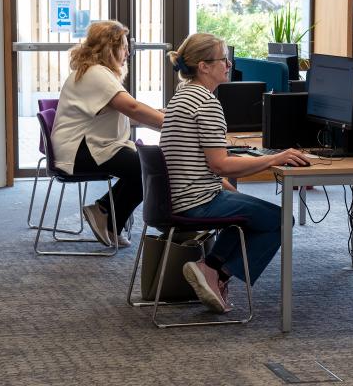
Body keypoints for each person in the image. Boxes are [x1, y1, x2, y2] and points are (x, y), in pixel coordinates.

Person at [159, 33, 309, 313]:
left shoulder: (183, 96)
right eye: (223, 59)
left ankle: (211, 267)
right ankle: (217, 272)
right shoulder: (207, 104)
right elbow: (220, 164)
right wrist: (275, 159)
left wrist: (229, 187)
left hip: (178, 197)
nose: (229, 64)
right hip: (195, 202)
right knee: (279, 220)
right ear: (204, 66)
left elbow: (206, 165)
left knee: (248, 207)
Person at [51, 20, 163, 248]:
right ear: (109, 48)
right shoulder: (96, 74)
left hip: (88, 146)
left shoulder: (94, 72)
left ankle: (104, 211)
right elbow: (132, 108)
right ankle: (108, 219)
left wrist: (162, 118)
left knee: (144, 167)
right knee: (149, 168)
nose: (128, 53)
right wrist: (173, 123)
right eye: (123, 47)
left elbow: (126, 116)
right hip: (81, 151)